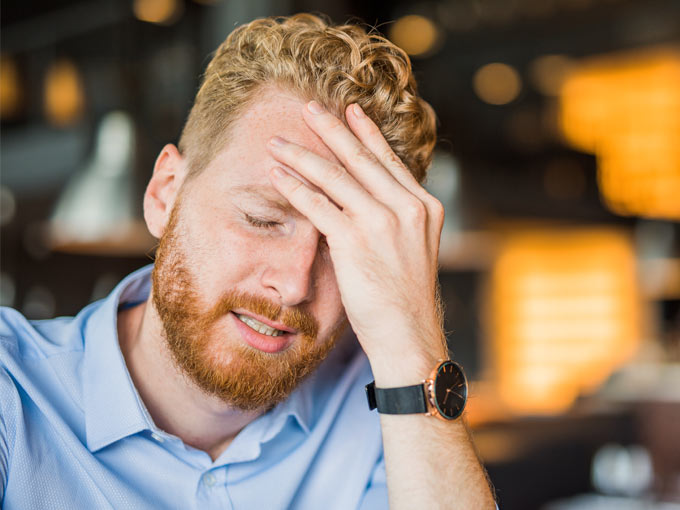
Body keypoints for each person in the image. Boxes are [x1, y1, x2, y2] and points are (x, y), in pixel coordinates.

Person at [0, 14, 496, 510]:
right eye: (261, 219)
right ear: (164, 193)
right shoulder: (13, 393)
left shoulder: (390, 402)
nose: (296, 283)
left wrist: (414, 347)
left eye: (339, 245)